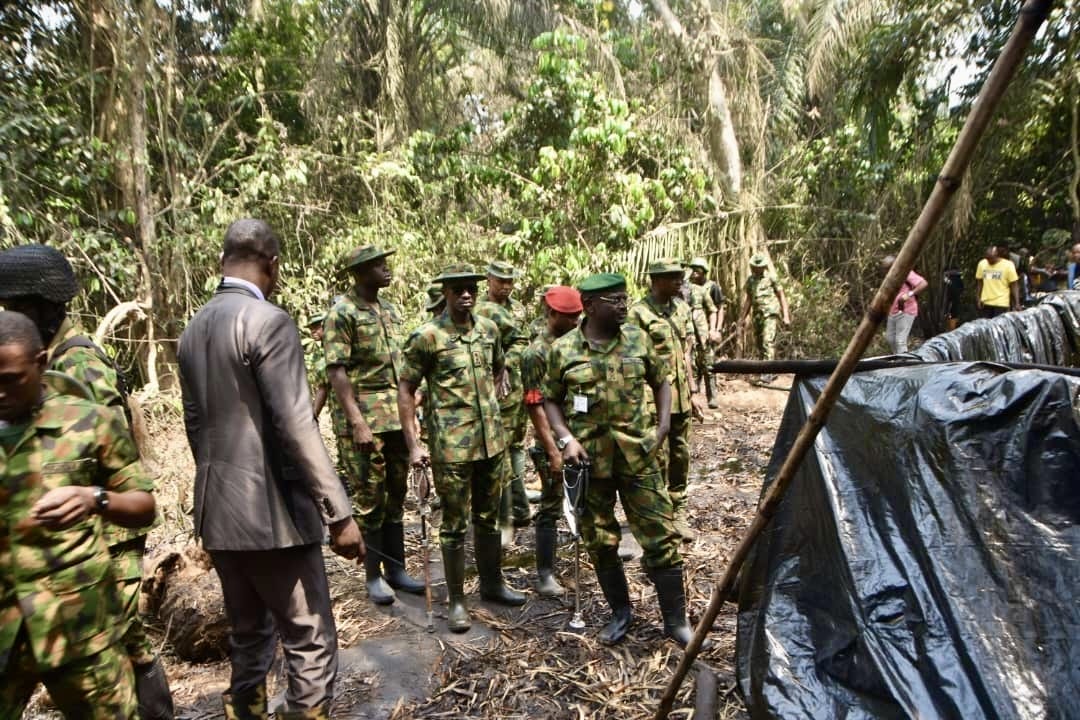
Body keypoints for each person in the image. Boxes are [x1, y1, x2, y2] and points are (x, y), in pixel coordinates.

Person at [178, 219, 363, 720]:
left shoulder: (193, 329)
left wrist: (218, 492)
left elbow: (195, 426)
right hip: (272, 519)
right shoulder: (269, 322)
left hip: (217, 513)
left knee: (249, 634)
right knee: (309, 638)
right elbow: (297, 425)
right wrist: (339, 513)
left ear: (222, 262)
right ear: (273, 264)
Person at [0, 243, 173, 718]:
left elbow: (109, 457)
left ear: (41, 308)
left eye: (15, 308)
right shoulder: (50, 359)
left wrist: (99, 515)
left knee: (127, 647)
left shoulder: (77, 365)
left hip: (103, 543)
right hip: (63, 565)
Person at [544, 273, 703, 648]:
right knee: (600, 540)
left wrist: (662, 426)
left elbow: (661, 380)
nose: (623, 305)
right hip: (590, 463)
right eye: (615, 300)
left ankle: (676, 622)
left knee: (661, 537)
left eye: (624, 298)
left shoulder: (637, 338)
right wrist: (565, 439)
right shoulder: (563, 351)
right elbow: (549, 398)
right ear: (591, 305)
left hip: (639, 457)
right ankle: (621, 613)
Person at [397, 264, 526, 634]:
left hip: (491, 443)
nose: (466, 295)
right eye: (458, 290)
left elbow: (499, 367)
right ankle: (456, 601)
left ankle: (492, 585)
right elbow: (406, 388)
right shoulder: (427, 336)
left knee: (488, 518)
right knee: (454, 525)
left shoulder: (488, 330)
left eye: (471, 288)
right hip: (452, 448)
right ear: (446, 294)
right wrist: (413, 443)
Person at [323, 246, 424, 606]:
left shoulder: (390, 310)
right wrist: (357, 422)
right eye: (379, 266)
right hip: (366, 420)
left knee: (396, 495)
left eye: (385, 264)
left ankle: (397, 570)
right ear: (361, 272)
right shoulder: (342, 313)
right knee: (370, 499)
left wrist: (414, 402)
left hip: (396, 416)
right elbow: (337, 370)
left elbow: (402, 365)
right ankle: (373, 576)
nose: (386, 270)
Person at [626, 259, 704, 543]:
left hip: (681, 396)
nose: (678, 282)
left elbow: (686, 353)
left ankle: (678, 510)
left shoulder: (681, 309)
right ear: (656, 280)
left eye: (679, 277)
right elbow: (631, 362)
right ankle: (658, 516)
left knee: (681, 455)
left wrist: (694, 391)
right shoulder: (638, 314)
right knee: (657, 457)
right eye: (672, 278)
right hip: (654, 399)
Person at [520, 286, 583, 595]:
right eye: (570, 317)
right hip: (552, 442)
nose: (576, 321)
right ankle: (545, 573)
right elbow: (534, 405)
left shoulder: (576, 344)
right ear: (553, 314)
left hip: (578, 435)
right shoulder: (535, 353)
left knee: (584, 501)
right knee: (551, 504)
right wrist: (552, 450)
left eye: (578, 316)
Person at [474, 260, 531, 539]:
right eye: (501, 281)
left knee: (516, 447)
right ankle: (505, 516)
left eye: (510, 282)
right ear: (489, 279)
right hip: (488, 391)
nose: (506, 286)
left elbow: (522, 342)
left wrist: (506, 364)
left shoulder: (517, 309)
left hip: (514, 388)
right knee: (499, 452)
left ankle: (519, 508)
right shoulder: (477, 309)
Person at [738, 254, 791, 367]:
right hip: (757, 315)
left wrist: (786, 316)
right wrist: (742, 318)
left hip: (770, 313)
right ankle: (762, 369)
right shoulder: (751, 280)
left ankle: (768, 371)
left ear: (764, 266)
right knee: (759, 343)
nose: (757, 268)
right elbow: (749, 300)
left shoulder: (771, 278)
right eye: (755, 266)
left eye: (759, 266)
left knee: (768, 341)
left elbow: (781, 296)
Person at [686, 257, 723, 408]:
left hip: (704, 332)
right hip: (689, 333)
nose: (694, 273)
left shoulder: (710, 288)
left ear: (704, 272)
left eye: (698, 270)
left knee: (708, 364)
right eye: (692, 270)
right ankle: (692, 397)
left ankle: (712, 397)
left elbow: (717, 309)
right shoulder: (684, 290)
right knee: (692, 365)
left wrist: (715, 329)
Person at [879, 255, 928, 354]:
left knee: (900, 341)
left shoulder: (906, 273)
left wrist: (909, 294)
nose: (886, 271)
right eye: (884, 269)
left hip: (907, 310)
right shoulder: (889, 278)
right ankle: (897, 358)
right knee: (890, 338)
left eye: (888, 268)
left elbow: (923, 283)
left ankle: (903, 362)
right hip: (893, 311)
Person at [974, 245, 1019, 318]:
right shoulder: (982, 264)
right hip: (986, 302)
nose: (989, 261)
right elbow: (980, 283)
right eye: (987, 259)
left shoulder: (1008, 265)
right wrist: (978, 298)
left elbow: (1014, 285)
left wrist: (1017, 303)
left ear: (997, 255)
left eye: (991, 258)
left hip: (1001, 303)